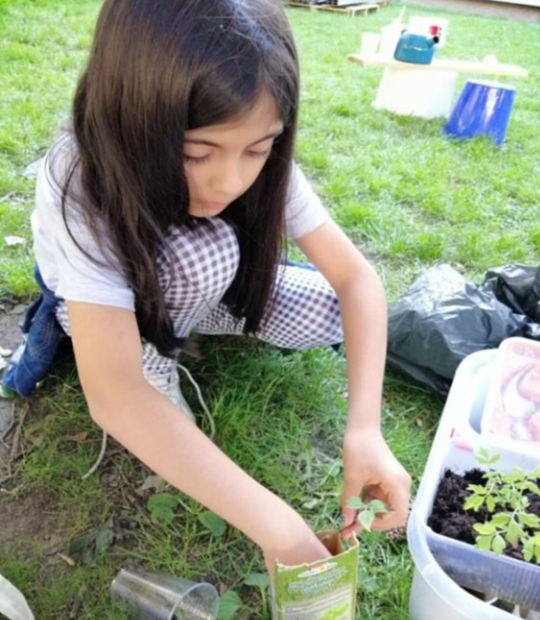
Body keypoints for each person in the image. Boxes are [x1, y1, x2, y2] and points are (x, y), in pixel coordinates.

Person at [0, 0, 411, 574]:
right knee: (203, 255)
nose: (230, 181)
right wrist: (279, 527)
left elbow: (356, 279)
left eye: (259, 149)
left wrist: (365, 430)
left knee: (327, 312)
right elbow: (114, 395)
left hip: (198, 288)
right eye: (196, 153)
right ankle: (157, 359)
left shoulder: (251, 147)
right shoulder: (79, 177)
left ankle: (190, 319)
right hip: (103, 300)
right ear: (131, 114)